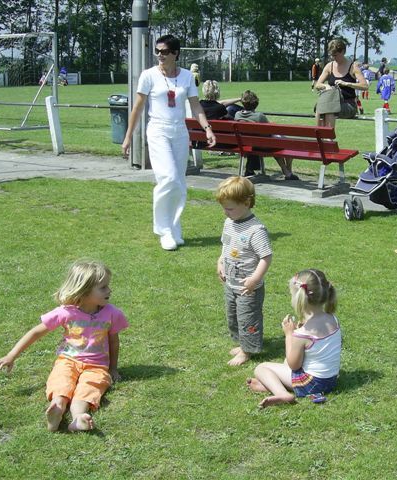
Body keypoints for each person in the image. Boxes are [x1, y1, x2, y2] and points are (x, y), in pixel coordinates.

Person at [0, 260, 128, 432]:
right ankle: (58, 405)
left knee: (90, 386)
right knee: (61, 380)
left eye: (108, 286)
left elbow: (114, 341)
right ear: (84, 291)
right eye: (103, 287)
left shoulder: (112, 313)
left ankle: (78, 418)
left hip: (97, 365)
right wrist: (11, 355)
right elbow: (36, 332)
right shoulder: (66, 312)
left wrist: (113, 368)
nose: (109, 290)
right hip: (68, 360)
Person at [122, 34, 216, 251]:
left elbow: (196, 106)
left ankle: (175, 228)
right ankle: (163, 230)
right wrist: (128, 136)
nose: (159, 55)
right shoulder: (148, 76)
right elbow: (137, 108)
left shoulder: (186, 77)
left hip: (180, 132)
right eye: (157, 51)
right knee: (168, 177)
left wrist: (207, 128)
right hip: (158, 131)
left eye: (164, 51)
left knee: (180, 183)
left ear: (175, 53)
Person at [247, 269, 341, 408]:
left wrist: (289, 334)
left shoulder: (303, 333)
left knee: (261, 368)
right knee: (284, 362)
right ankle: (269, 386)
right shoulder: (332, 319)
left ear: (299, 299)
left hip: (311, 383)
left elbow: (293, 365)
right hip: (331, 380)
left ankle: (282, 393)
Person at [216, 176, 273, 366]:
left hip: (249, 287)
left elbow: (266, 257)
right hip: (231, 283)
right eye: (224, 207)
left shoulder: (256, 230)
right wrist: (220, 262)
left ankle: (247, 351)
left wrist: (255, 279)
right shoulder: (229, 222)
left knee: (248, 318)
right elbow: (226, 245)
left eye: (230, 208)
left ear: (247, 203)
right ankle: (242, 344)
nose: (226, 212)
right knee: (233, 316)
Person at [234, 90, 299, 180]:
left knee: (276, 143)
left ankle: (287, 172)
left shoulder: (237, 115)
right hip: (263, 146)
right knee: (287, 143)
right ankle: (288, 171)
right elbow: (270, 131)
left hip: (249, 145)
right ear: (256, 103)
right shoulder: (259, 116)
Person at [314, 38, 368, 128]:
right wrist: (325, 86)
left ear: (343, 52)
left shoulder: (353, 67)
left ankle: (328, 140)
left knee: (328, 109)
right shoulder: (329, 66)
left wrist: (347, 84)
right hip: (330, 102)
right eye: (331, 55)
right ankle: (320, 138)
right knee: (319, 108)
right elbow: (317, 85)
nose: (333, 58)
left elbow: (365, 86)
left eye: (335, 55)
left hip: (348, 105)